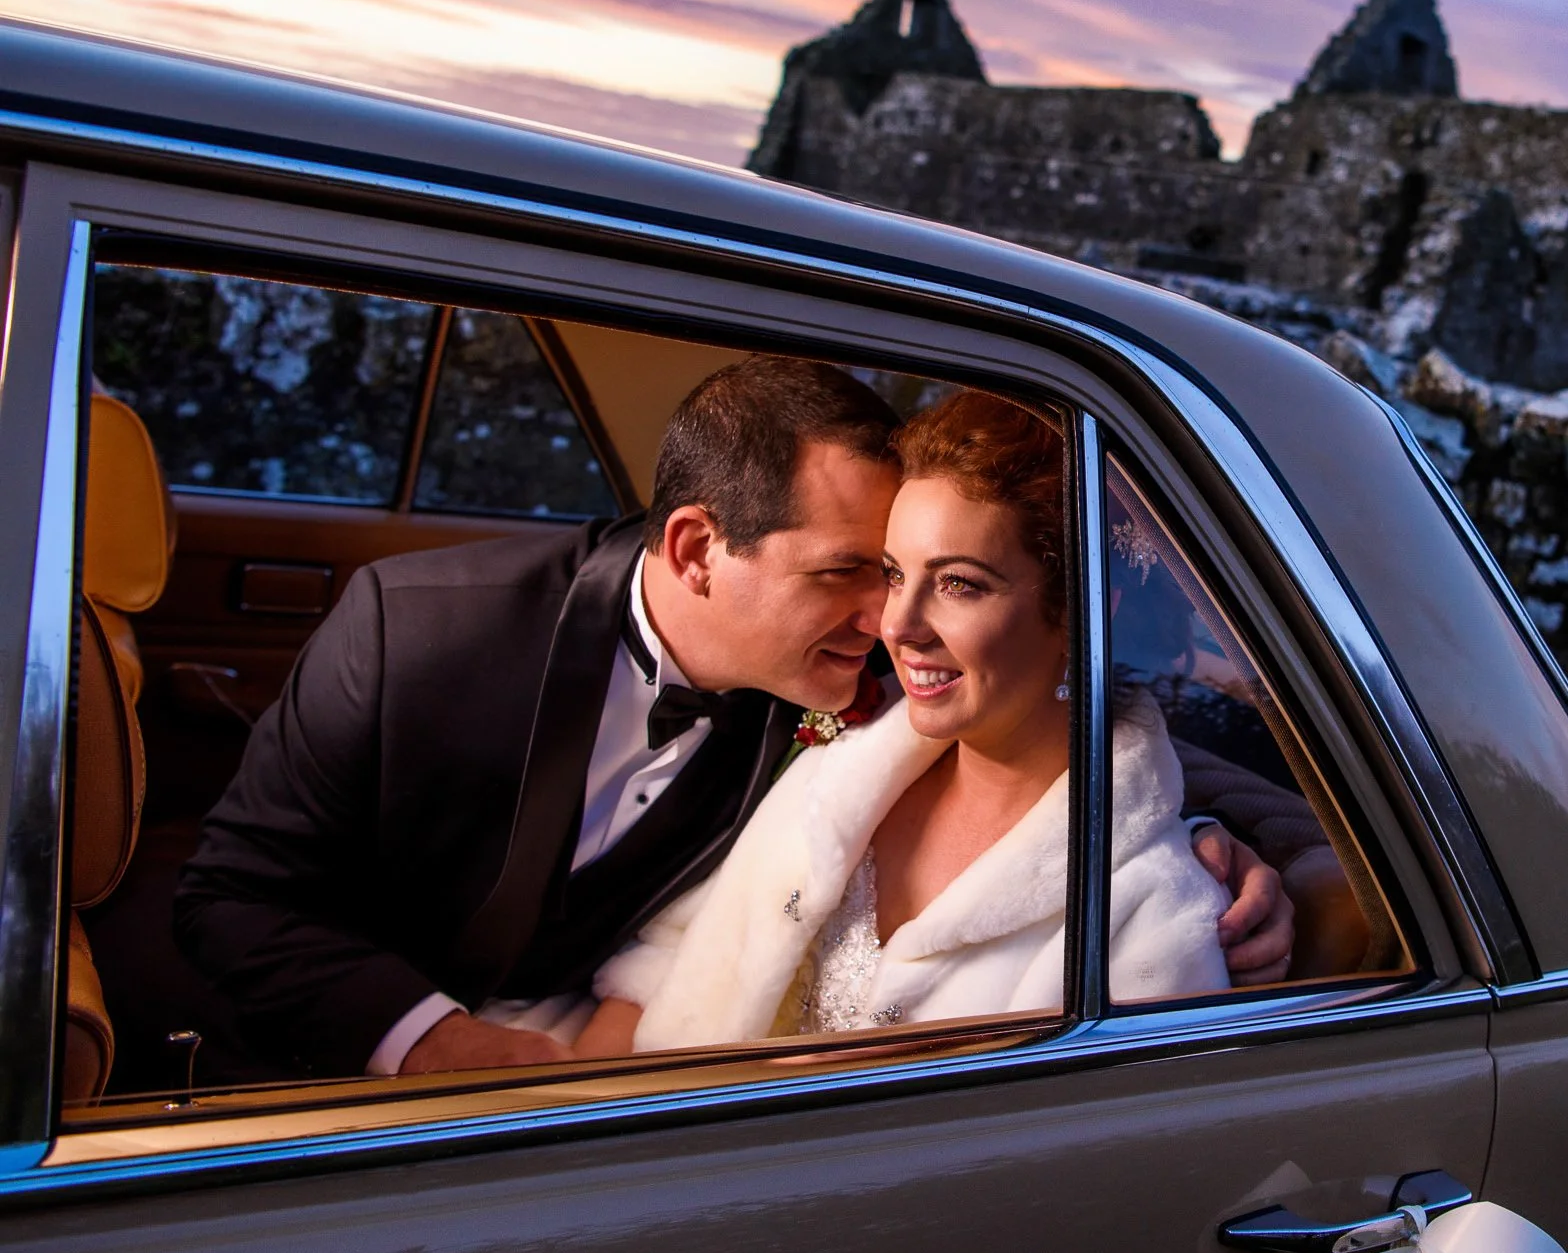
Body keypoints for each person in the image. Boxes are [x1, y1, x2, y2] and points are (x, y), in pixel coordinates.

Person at [174, 357, 1287, 1081]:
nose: (886, 622)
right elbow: (232, 897)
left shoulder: (865, 682)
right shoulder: (420, 637)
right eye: (856, 572)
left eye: (921, 576)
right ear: (700, 551)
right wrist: (440, 1050)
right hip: (314, 1074)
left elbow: (1104, 727)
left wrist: (1271, 860)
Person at [578, 393, 1227, 1051]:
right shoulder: (840, 759)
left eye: (959, 584)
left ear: (1090, 610)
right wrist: (575, 1102)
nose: (896, 625)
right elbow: (673, 958)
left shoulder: (1148, 916)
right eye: (894, 574)